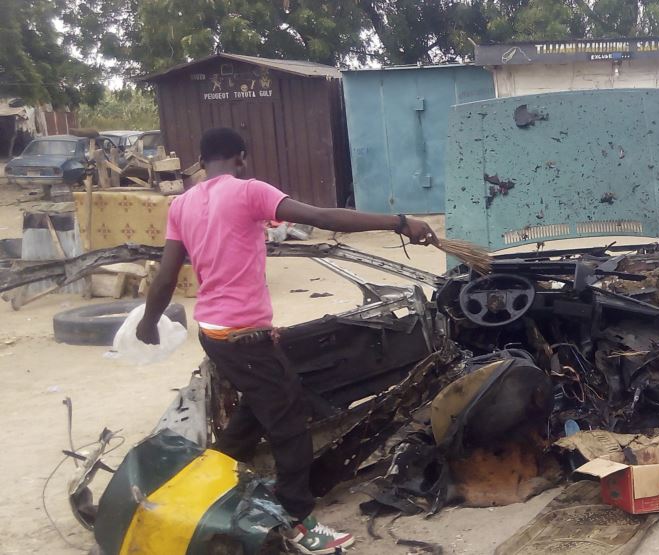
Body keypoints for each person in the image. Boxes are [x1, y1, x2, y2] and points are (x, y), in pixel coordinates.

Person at [136, 127, 436, 554]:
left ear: (202, 163)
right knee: (290, 423)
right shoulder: (249, 191)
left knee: (256, 410)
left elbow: (166, 275)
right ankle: (298, 521)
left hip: (215, 333)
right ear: (240, 158)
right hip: (243, 338)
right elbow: (325, 219)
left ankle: (206, 486)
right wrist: (400, 222)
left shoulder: (181, 204)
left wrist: (148, 322)